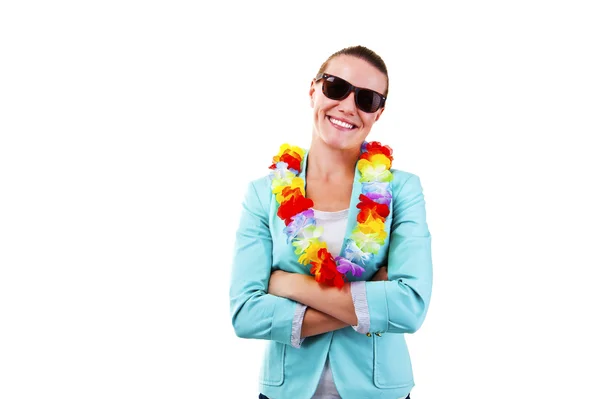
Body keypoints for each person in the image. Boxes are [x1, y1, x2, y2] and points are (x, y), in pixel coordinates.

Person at [229, 45, 433, 399]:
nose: (348, 106)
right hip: (285, 392)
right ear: (313, 90)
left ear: (378, 114)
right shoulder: (263, 194)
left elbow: (411, 306)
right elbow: (245, 314)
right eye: (336, 87)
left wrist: (291, 286)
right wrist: (372, 299)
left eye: (367, 98)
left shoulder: (403, 190)